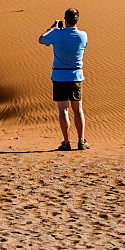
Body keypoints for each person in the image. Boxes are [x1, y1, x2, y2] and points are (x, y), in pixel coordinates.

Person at [38, 8, 89, 151]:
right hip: (76, 76)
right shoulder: (83, 35)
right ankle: (81, 141)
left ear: (65, 20)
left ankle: (66, 142)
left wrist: (51, 28)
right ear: (77, 20)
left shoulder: (56, 34)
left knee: (63, 110)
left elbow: (41, 40)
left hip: (60, 76)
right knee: (78, 109)